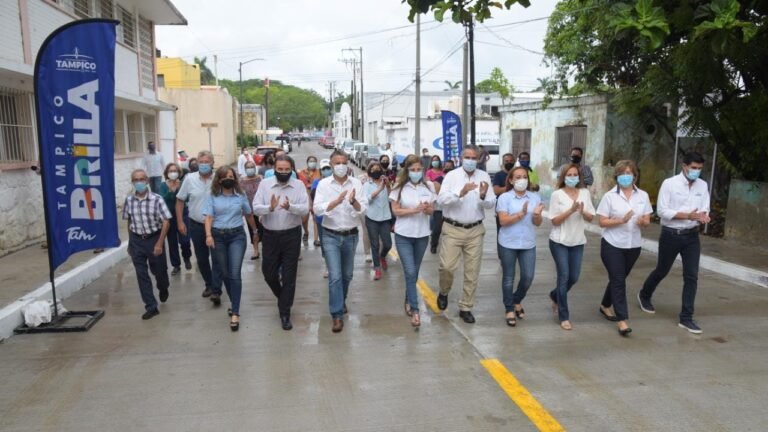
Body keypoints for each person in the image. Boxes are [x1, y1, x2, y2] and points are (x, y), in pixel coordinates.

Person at [639, 152, 711, 334]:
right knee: (662, 270)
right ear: (684, 166)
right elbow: (662, 211)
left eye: (700, 169)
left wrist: (703, 216)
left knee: (691, 276)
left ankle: (686, 318)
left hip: (692, 237)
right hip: (671, 235)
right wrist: (687, 215)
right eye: (693, 168)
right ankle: (644, 294)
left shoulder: (702, 185)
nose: (696, 171)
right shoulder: (670, 184)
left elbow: (704, 206)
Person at [436, 146, 496, 323]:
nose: (470, 160)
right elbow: (441, 200)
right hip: (453, 228)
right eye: (467, 157)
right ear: (461, 158)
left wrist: (484, 196)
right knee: (447, 267)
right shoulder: (451, 176)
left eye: (474, 157)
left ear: (478, 159)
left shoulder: (484, 177)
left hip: (475, 230)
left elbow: (491, 203)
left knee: (472, 271)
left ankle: (466, 307)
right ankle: (444, 291)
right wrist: (459, 193)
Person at [313, 150, 368, 333]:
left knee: (347, 275)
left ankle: (341, 300)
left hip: (351, 235)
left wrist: (353, 202)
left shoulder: (357, 184)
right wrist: (335, 203)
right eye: (337, 163)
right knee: (335, 276)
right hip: (330, 235)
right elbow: (317, 209)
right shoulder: (323, 184)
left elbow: (363, 210)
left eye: (344, 162)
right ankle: (336, 314)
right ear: (331, 164)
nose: (341, 166)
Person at [252, 155, 309, 331]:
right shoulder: (265, 184)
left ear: (291, 169)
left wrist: (290, 207)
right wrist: (269, 208)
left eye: (287, 169)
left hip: (291, 235)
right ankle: (283, 298)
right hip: (270, 235)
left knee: (290, 276)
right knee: (268, 273)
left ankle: (285, 312)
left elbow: (305, 208)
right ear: (274, 169)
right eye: (280, 169)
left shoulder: (298, 185)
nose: (283, 172)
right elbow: (255, 207)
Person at [597, 160, 652, 337]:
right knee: (619, 279)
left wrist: (643, 222)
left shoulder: (643, 195)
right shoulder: (610, 197)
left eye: (629, 173)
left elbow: (647, 220)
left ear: (635, 176)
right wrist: (620, 220)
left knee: (617, 278)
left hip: (633, 245)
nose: (626, 176)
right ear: (617, 177)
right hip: (612, 244)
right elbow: (602, 221)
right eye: (622, 173)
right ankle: (622, 320)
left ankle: (605, 304)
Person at [203, 166, 257, 332]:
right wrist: (208, 235)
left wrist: (255, 231)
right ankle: (234, 301)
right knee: (225, 273)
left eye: (231, 176)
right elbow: (209, 217)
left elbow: (248, 214)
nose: (229, 179)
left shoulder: (240, 196)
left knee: (234, 273)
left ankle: (235, 311)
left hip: (237, 236)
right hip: (217, 236)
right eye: (225, 176)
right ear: (219, 180)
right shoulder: (212, 196)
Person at [547, 164, 596, 330]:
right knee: (564, 276)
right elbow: (554, 220)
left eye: (575, 174)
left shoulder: (585, 193)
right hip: (559, 241)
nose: (573, 177)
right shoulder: (557, 195)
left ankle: (555, 295)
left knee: (574, 277)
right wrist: (571, 210)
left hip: (577, 241)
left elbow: (590, 218)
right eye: (569, 174)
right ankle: (564, 316)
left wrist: (582, 212)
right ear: (563, 177)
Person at [390, 155, 436, 327]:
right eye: (412, 170)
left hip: (422, 235)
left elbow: (433, 211)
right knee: (409, 271)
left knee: (414, 272)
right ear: (407, 171)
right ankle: (415, 310)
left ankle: (408, 299)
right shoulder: (399, 187)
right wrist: (414, 210)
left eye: (419, 169)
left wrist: (426, 209)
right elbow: (396, 211)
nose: (416, 172)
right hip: (404, 235)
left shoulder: (429, 186)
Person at [496, 166, 544, 327]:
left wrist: (536, 215)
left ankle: (517, 299)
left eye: (524, 177)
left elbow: (537, 223)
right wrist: (520, 214)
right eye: (517, 177)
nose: (521, 180)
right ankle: (509, 308)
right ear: (511, 180)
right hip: (508, 242)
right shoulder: (505, 198)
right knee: (508, 277)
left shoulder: (535, 198)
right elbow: (503, 221)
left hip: (528, 243)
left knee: (528, 277)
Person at [123, 169, 172, 320]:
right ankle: (151, 306)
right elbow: (129, 221)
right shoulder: (129, 200)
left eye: (141, 179)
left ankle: (163, 287)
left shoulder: (157, 199)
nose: (139, 182)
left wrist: (159, 243)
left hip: (154, 238)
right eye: (136, 180)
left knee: (160, 271)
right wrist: (130, 243)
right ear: (133, 182)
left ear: (147, 181)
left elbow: (166, 222)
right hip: (137, 240)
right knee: (141, 274)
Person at [176, 150, 222, 302]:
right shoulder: (189, 179)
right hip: (196, 225)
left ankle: (216, 289)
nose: (204, 165)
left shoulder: (219, 178)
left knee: (217, 258)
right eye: (201, 162)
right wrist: (180, 221)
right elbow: (180, 200)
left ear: (212, 163)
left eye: (207, 162)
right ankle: (209, 284)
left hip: (216, 225)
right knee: (202, 259)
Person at [158, 163, 192, 275]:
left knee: (185, 240)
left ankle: (186, 257)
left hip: (183, 214)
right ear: (167, 173)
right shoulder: (163, 185)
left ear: (178, 173)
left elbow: (186, 198)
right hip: (169, 216)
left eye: (175, 171)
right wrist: (172, 190)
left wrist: (178, 188)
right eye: (170, 171)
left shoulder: (183, 184)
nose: (173, 173)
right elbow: (162, 198)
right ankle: (176, 265)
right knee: (172, 242)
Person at [364, 161, 393, 280]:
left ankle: (382, 256)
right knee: (374, 244)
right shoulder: (366, 185)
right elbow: (367, 199)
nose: (376, 170)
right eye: (373, 169)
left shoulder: (385, 183)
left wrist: (387, 186)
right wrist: (379, 189)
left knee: (388, 244)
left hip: (385, 217)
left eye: (378, 168)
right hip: (372, 218)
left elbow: (392, 197)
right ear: (370, 172)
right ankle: (377, 268)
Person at [310, 159, 333, 278]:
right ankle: (328, 266)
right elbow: (312, 198)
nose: (326, 171)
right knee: (324, 243)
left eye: (328, 168)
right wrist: (313, 211)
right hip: (320, 218)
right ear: (321, 170)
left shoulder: (335, 182)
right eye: (324, 169)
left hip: (334, 218)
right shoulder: (316, 182)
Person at [240, 160, 262, 260]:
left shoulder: (260, 178)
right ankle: (256, 251)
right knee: (253, 231)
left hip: (261, 210)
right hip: (249, 211)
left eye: (252, 167)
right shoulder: (242, 181)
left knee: (264, 230)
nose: (250, 169)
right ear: (245, 169)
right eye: (248, 167)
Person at [430, 159, 453, 254]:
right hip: (439, 208)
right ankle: (434, 245)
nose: (448, 168)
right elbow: (438, 191)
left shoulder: (457, 180)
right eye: (446, 166)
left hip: (452, 208)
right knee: (437, 228)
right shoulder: (439, 179)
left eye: (450, 167)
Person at [300, 156, 322, 246]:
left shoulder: (319, 172)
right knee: (304, 219)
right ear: (307, 162)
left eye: (314, 161)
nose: (312, 163)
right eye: (310, 161)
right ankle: (306, 231)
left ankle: (316, 239)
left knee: (315, 219)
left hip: (315, 197)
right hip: (305, 197)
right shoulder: (302, 173)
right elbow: (301, 184)